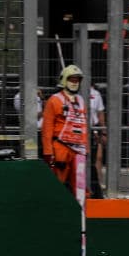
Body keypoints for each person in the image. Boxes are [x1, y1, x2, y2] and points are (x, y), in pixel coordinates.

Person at [41, 65, 88, 199]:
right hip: (60, 148)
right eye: (71, 79)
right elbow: (47, 128)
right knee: (57, 184)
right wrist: (48, 151)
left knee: (80, 186)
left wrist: (87, 149)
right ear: (64, 80)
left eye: (77, 80)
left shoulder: (81, 101)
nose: (74, 83)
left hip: (79, 149)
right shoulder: (54, 100)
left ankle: (81, 209)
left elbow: (84, 126)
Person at [89, 84, 107, 198]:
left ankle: (99, 183)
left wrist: (103, 132)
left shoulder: (96, 94)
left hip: (94, 128)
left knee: (98, 157)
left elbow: (100, 113)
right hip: (80, 128)